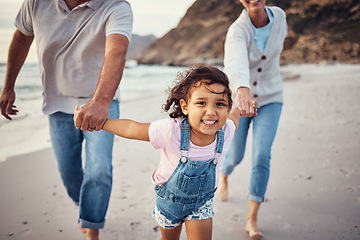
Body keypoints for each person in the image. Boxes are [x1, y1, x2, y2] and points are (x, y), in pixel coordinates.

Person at [0, 0, 133, 239]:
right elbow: (22, 37)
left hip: (102, 102)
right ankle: (85, 206)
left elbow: (117, 51)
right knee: (68, 170)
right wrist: (8, 85)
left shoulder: (116, 6)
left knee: (99, 169)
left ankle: (92, 227)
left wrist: (100, 103)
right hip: (58, 103)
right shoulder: (35, 4)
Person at [76, 65, 244, 240]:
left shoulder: (227, 130)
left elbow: (234, 117)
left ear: (227, 107)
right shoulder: (171, 130)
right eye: (201, 103)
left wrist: (242, 106)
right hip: (169, 202)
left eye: (220, 104)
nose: (211, 111)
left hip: (202, 203)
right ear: (185, 107)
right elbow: (132, 128)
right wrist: (100, 123)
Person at [218, 0, 287, 239]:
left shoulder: (280, 17)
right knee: (235, 155)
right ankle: (225, 173)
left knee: (261, 156)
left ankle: (252, 219)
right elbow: (234, 60)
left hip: (271, 98)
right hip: (241, 100)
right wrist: (243, 90)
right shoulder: (237, 29)